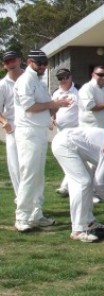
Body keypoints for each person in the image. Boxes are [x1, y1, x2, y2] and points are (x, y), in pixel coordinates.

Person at [13, 49, 71, 232]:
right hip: (28, 132)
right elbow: (29, 106)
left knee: (38, 176)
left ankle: (36, 214)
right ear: (30, 62)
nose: (43, 66)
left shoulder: (37, 81)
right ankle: (21, 216)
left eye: (45, 63)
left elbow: (46, 105)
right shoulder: (25, 80)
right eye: (39, 63)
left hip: (38, 132)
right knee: (29, 174)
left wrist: (57, 107)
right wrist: (54, 105)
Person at [51, 127, 104, 243]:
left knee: (87, 180)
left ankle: (89, 222)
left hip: (70, 143)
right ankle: (78, 230)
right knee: (83, 182)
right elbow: (100, 183)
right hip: (63, 144)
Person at [52, 68, 80, 197]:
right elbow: (53, 109)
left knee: (73, 157)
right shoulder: (56, 92)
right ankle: (68, 185)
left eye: (65, 77)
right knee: (64, 157)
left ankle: (66, 186)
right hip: (60, 130)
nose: (63, 80)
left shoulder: (78, 90)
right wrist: (52, 119)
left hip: (75, 129)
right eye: (60, 78)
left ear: (71, 77)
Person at [0, 50, 23, 203]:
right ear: (4, 65)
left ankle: (33, 201)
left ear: (19, 60)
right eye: (8, 62)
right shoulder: (2, 85)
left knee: (30, 165)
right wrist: (4, 122)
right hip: (13, 128)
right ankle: (20, 198)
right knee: (15, 166)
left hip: (30, 126)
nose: (11, 64)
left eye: (13, 60)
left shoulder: (31, 79)